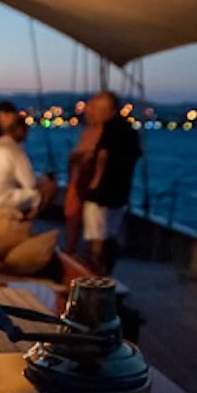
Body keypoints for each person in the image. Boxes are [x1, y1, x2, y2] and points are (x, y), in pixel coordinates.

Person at [81, 91, 141, 274]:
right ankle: (107, 272)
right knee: (110, 235)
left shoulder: (109, 127)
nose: (94, 113)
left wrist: (95, 181)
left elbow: (103, 155)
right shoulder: (130, 130)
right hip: (121, 191)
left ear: (107, 109)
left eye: (98, 109)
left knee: (96, 236)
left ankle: (95, 276)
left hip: (102, 192)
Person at [0, 113, 58, 218]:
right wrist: (46, 182)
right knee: (38, 193)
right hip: (0, 203)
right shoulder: (14, 148)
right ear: (20, 130)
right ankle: (25, 222)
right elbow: (30, 183)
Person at [63, 101, 104, 256]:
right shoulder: (87, 133)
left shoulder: (100, 134)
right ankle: (70, 251)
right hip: (77, 181)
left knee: (92, 225)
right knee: (73, 218)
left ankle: (88, 256)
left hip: (89, 184)